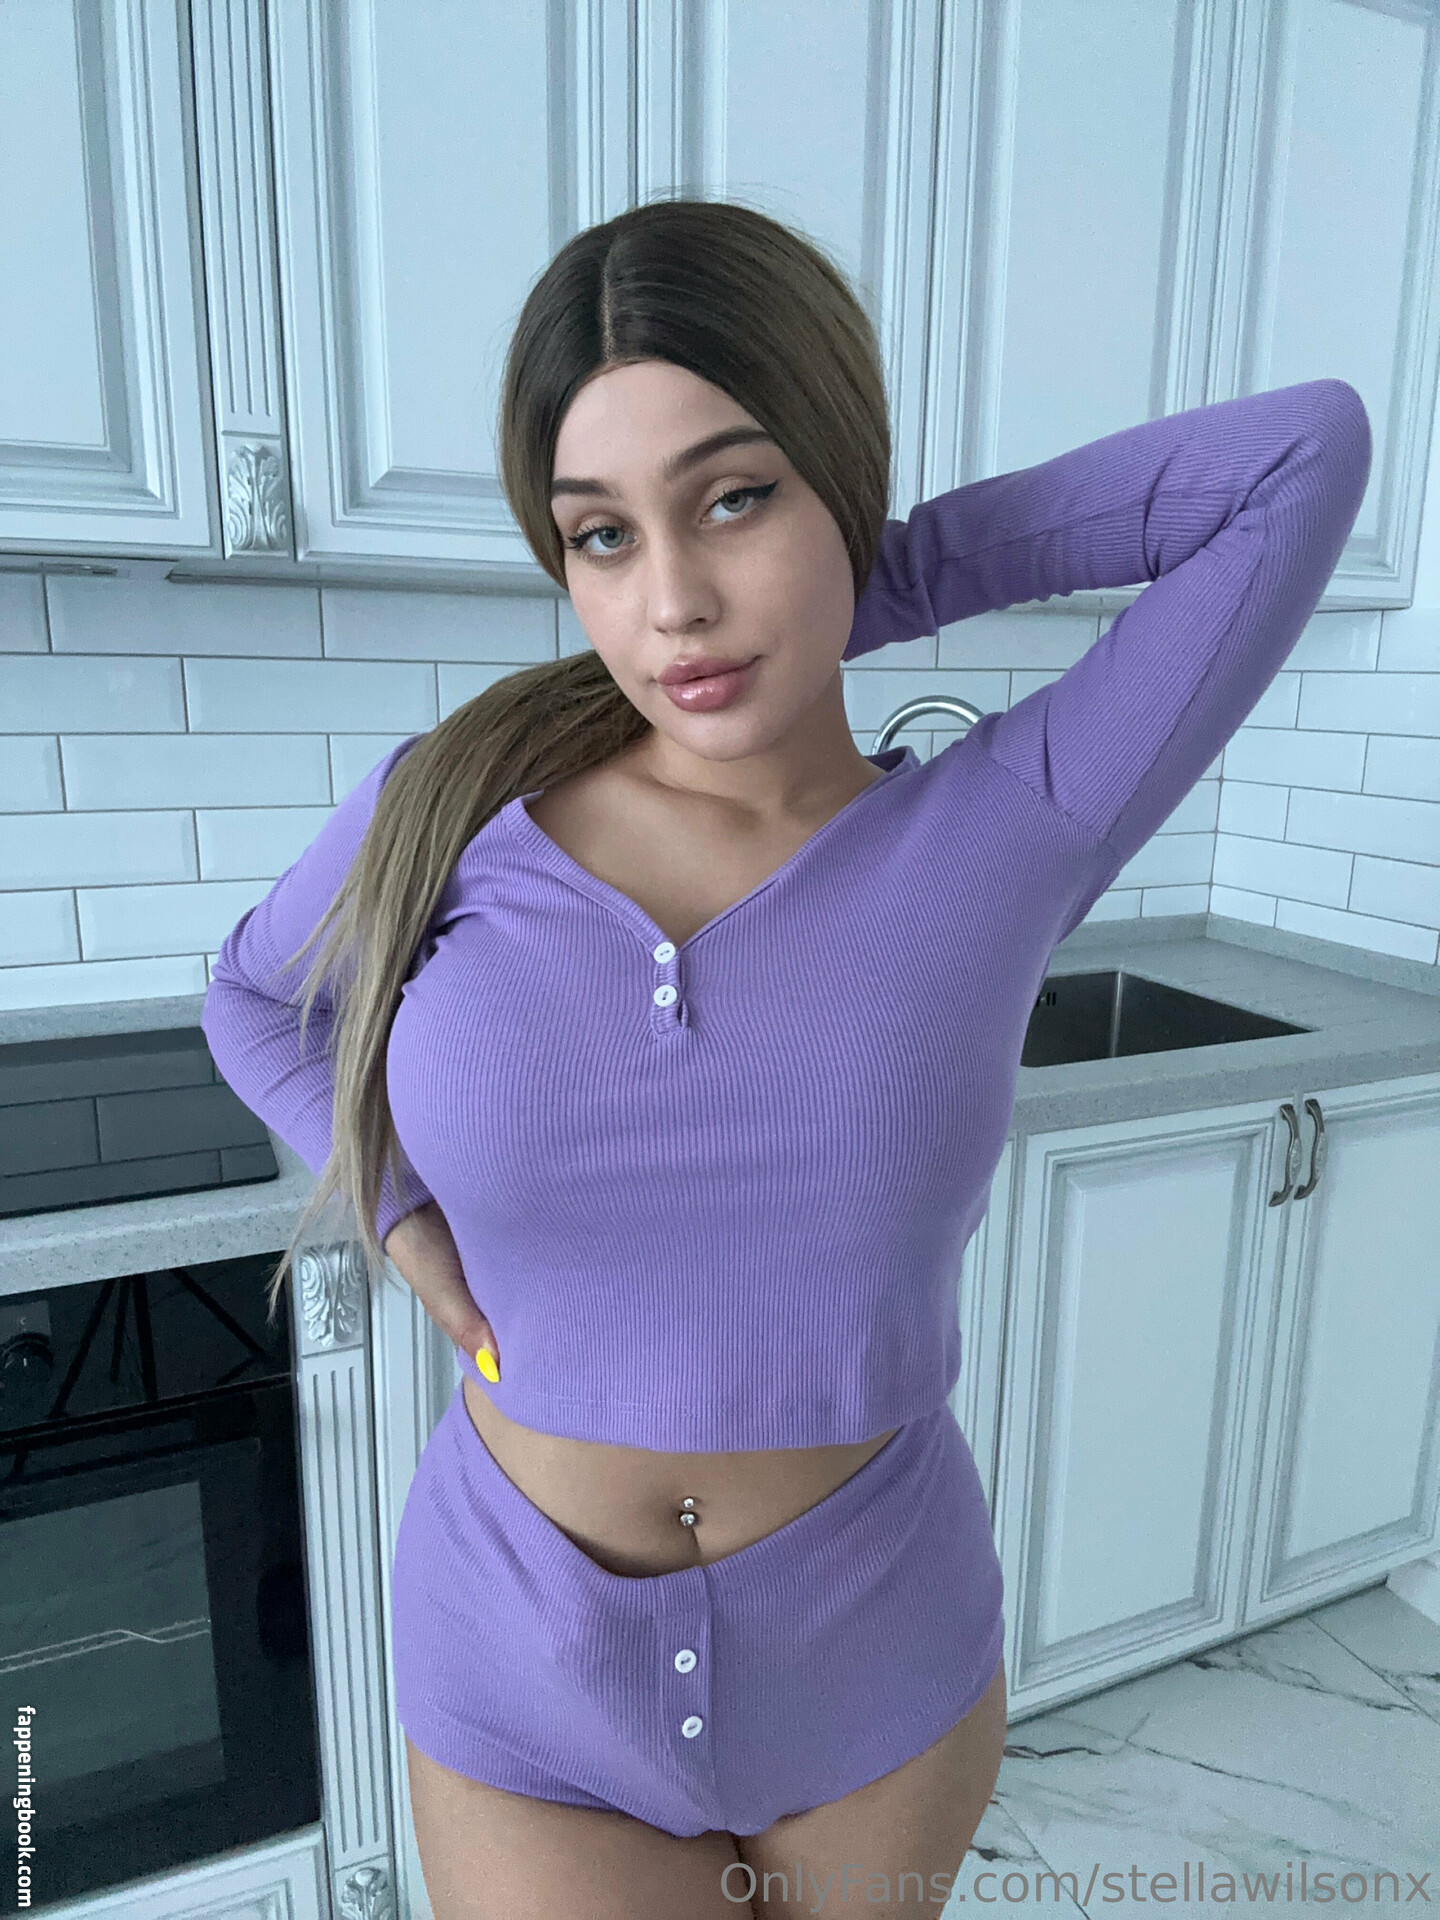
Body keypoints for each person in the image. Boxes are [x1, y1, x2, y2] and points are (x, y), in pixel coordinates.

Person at [200, 197, 1371, 1919]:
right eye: (602, 537)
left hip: (875, 1664)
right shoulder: (447, 807)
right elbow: (252, 1001)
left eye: (736, 497)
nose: (673, 602)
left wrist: (873, 579)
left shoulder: (1013, 823)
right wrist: (391, 1205)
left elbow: (1299, 458)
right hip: (525, 1664)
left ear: (838, 477)